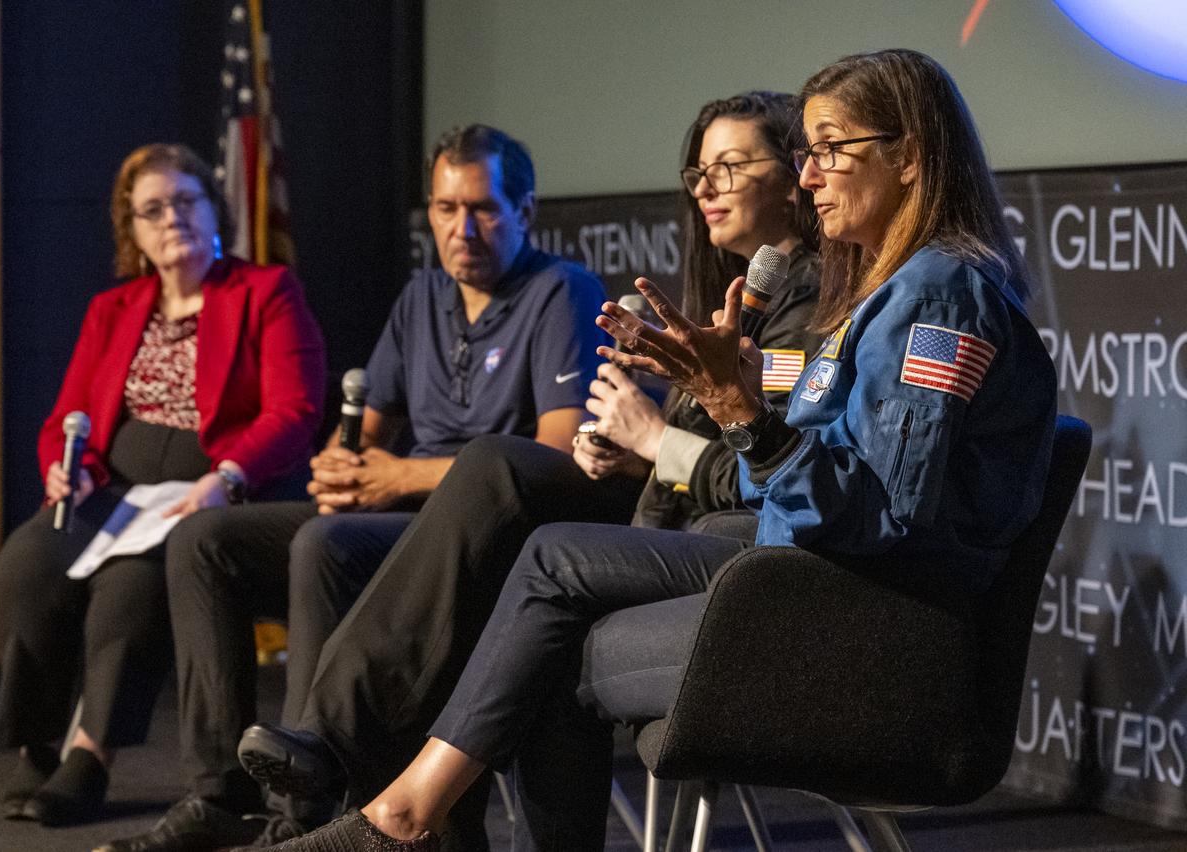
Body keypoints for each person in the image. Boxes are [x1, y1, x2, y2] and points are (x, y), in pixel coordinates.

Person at [249, 48, 1059, 852]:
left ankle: (398, 817)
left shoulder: (941, 294)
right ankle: (402, 814)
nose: (811, 178)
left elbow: (884, 515)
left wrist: (735, 406)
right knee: (545, 571)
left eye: (830, 151)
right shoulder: (894, 291)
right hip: (800, 574)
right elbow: (820, 479)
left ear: (910, 156)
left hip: (857, 619)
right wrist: (735, 402)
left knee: (548, 612)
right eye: (806, 154)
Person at [228, 91, 824, 850]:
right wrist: (612, 447)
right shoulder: (734, 295)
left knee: (498, 472)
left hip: (729, 549)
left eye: (732, 166)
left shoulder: (816, 304)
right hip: (663, 514)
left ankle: (348, 759)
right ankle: (342, 787)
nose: (704, 186)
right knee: (328, 541)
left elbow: (778, 476)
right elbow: (708, 458)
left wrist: (652, 446)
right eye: (698, 169)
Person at [96, 124, 608, 852]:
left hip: (481, 534)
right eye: (445, 209)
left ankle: (304, 804)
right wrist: (342, 463)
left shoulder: (562, 291)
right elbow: (363, 434)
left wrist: (397, 474)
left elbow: (556, 454)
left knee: (327, 544)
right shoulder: (422, 297)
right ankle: (218, 794)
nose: (463, 229)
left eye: (485, 209)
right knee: (205, 539)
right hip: (395, 510)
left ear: (525, 211)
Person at [0, 143, 327, 827]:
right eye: (153, 209)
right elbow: (66, 417)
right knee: (24, 566)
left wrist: (224, 480)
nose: (171, 218)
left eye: (185, 201)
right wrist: (70, 467)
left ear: (212, 209)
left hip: (200, 496)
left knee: (132, 587)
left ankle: (91, 756)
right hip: (108, 492)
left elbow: (293, 412)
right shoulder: (115, 308)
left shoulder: (264, 292)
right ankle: (36, 744)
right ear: (133, 231)